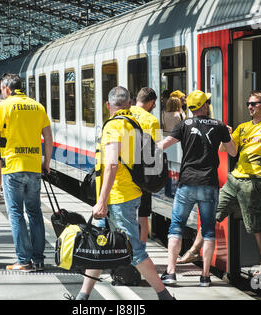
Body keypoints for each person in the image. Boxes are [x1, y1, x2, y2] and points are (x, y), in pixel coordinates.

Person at [74, 86, 174, 300]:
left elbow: (111, 164)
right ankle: (83, 296)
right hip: (127, 193)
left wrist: (101, 201)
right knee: (98, 244)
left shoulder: (113, 126)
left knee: (135, 251)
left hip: (117, 197)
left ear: (108, 105)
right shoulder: (135, 123)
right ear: (129, 103)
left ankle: (165, 296)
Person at [178, 90, 261, 276]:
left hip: (254, 180)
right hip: (234, 178)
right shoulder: (243, 127)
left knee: (254, 224)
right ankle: (195, 251)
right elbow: (225, 149)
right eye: (248, 104)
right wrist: (225, 135)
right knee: (211, 215)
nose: (250, 107)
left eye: (254, 104)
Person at [157, 89, 236, 287]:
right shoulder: (219, 125)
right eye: (207, 103)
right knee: (208, 231)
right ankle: (206, 276)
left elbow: (163, 145)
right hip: (209, 184)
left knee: (176, 227)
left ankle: (171, 273)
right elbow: (233, 152)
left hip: (187, 184)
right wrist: (228, 135)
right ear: (204, 106)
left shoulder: (184, 125)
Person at [0, 73, 53, 272]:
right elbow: (48, 138)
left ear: (7, 88)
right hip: (34, 166)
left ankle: (24, 260)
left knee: (16, 213)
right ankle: (39, 260)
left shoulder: (3, 106)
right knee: (35, 212)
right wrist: (46, 163)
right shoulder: (37, 106)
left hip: (13, 166)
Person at [130, 87, 161, 243]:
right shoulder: (151, 120)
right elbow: (157, 147)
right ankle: (140, 251)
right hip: (143, 173)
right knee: (143, 216)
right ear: (151, 102)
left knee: (126, 215)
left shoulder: (125, 113)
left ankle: (124, 250)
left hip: (125, 172)